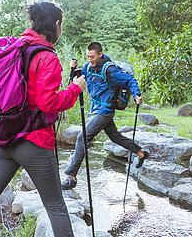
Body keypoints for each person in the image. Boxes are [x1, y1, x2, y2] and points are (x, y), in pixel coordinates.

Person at [0, 1, 87, 237]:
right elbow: (48, 103)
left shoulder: (13, 49)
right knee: (56, 207)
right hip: (34, 142)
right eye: (60, 25)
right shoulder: (47, 57)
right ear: (55, 25)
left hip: (6, 138)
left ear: (33, 23)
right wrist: (75, 89)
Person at [61, 42, 150, 190]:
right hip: (97, 108)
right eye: (88, 56)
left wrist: (136, 95)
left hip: (106, 110)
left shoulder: (110, 70)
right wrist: (72, 69)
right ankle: (141, 153)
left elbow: (130, 80)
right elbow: (77, 78)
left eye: (92, 56)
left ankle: (71, 177)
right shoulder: (88, 66)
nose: (90, 59)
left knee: (82, 138)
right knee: (115, 136)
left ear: (100, 54)